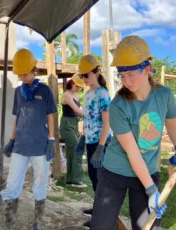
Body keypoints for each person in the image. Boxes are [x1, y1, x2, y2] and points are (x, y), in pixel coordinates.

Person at [90, 35, 176, 230]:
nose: (126, 81)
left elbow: (173, 125)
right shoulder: (118, 105)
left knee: (147, 226)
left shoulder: (164, 95)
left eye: (131, 74)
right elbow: (132, 151)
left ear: (147, 69)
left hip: (148, 170)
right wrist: (151, 190)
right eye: (122, 75)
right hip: (115, 171)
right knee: (101, 226)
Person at [0, 48, 57, 230]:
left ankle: (38, 223)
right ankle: (9, 223)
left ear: (34, 69)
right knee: (12, 184)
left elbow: (50, 116)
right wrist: (11, 139)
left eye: (25, 73)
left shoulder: (44, 90)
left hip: (40, 146)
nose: (23, 77)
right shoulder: (19, 92)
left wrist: (51, 140)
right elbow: (17, 117)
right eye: (20, 74)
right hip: (20, 146)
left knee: (40, 183)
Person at [75, 54, 111, 228]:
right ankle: (98, 209)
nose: (83, 79)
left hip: (101, 143)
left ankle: (101, 218)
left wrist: (100, 148)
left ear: (97, 73)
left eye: (86, 75)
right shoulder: (88, 94)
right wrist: (82, 139)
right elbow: (89, 119)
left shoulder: (102, 94)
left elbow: (107, 123)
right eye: (82, 76)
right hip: (90, 141)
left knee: (101, 180)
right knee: (93, 177)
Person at [60, 73, 87, 188]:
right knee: (77, 149)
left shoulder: (76, 96)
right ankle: (77, 180)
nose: (79, 88)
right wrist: (93, 116)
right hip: (66, 125)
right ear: (71, 84)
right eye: (77, 86)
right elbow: (77, 110)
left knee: (71, 152)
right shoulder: (67, 95)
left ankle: (70, 180)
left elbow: (81, 110)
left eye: (80, 87)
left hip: (74, 124)